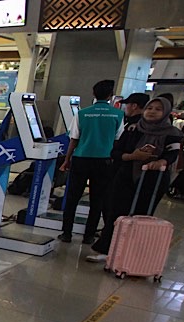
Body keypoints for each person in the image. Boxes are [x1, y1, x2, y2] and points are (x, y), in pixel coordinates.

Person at [86, 97, 184, 262]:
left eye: (158, 109)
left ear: (166, 112)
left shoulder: (172, 134)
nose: (152, 111)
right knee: (116, 212)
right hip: (127, 175)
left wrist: (161, 161)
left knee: (142, 215)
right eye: (149, 108)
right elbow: (115, 152)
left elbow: (172, 155)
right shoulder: (133, 129)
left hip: (153, 179)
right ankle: (109, 249)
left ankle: (133, 254)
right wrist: (132, 156)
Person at [57, 79, 124, 244]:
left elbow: (74, 139)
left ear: (93, 93)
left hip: (81, 159)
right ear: (110, 96)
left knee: (73, 197)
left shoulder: (82, 113)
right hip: (104, 161)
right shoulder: (118, 114)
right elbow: (118, 139)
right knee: (97, 199)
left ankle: (66, 233)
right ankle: (89, 235)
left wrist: (67, 160)